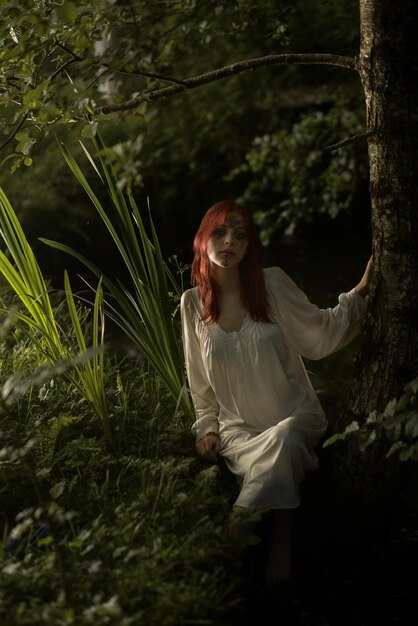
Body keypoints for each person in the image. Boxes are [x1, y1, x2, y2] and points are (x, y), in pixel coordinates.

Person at [180, 200, 372, 587]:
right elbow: (198, 380)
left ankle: (256, 535)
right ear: (203, 240)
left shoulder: (270, 285)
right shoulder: (192, 303)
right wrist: (207, 429)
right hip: (239, 428)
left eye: (239, 233)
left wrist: (363, 289)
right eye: (219, 231)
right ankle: (269, 541)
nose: (229, 240)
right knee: (269, 452)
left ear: (250, 247)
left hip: (293, 414)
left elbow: (318, 334)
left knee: (283, 437)